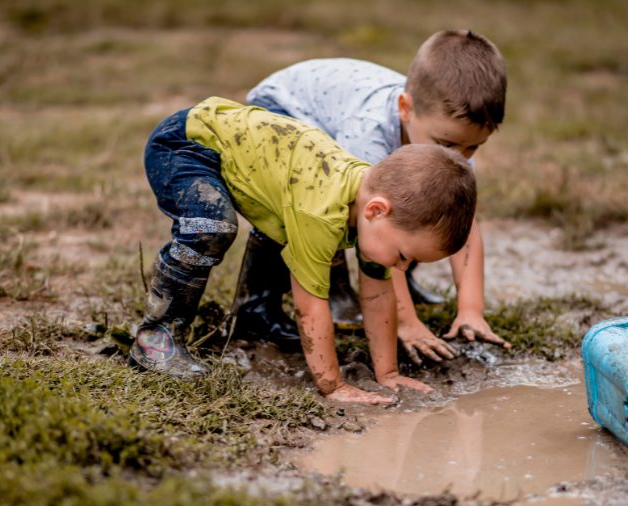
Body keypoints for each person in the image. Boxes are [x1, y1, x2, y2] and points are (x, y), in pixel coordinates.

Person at [130, 97, 477, 404]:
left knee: (284, 229)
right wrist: (333, 385)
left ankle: (255, 318)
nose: (402, 267)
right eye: (404, 255)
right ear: (376, 210)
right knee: (212, 227)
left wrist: (387, 375)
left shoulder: (371, 207)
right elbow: (310, 307)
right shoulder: (321, 213)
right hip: (187, 144)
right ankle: (156, 336)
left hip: (243, 158)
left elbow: (376, 295)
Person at [238, 29, 512, 364]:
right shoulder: (368, 133)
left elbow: (463, 224)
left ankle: (402, 286)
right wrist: (406, 324)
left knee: (424, 209)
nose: (460, 156)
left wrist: (471, 310)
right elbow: (382, 225)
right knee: (317, 207)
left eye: (473, 147)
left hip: (330, 114)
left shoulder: (447, 139)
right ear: (405, 109)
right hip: (284, 111)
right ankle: (261, 306)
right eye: (447, 145)